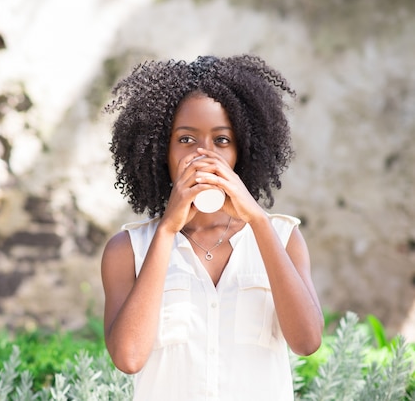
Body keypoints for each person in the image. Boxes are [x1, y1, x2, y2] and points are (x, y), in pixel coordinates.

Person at [100, 54, 324, 401]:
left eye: (221, 140)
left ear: (242, 151)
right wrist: (167, 231)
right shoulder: (128, 249)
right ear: (162, 150)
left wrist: (257, 221)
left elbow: (307, 342)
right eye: (186, 139)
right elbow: (129, 358)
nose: (204, 155)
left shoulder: (283, 237)